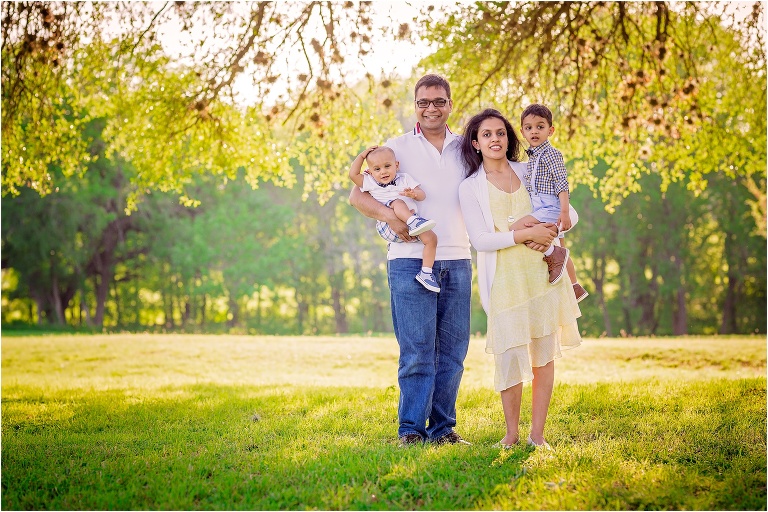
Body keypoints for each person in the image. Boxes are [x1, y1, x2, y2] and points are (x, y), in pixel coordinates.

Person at [349, 74, 473, 446]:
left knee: (452, 354)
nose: (431, 108)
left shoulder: (467, 147)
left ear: (450, 103)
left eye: (439, 101)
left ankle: (443, 429)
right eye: (423, 102)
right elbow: (358, 197)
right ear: (414, 105)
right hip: (408, 259)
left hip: (458, 258)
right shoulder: (395, 147)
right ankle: (411, 431)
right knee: (417, 351)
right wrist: (394, 218)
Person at [458, 108, 582, 449]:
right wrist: (519, 235)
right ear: (476, 143)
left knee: (543, 357)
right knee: (510, 357)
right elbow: (481, 240)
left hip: (543, 276)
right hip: (505, 281)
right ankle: (511, 435)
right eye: (487, 134)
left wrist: (550, 229)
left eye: (500, 132)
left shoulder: (530, 169)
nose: (495, 139)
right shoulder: (471, 188)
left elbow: (568, 209)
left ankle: (537, 436)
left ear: (509, 138)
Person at [518, 103, 588, 302]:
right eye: (529, 127)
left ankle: (552, 255)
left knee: (518, 229)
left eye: (540, 127)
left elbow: (561, 184)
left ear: (551, 130)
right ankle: (574, 287)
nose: (534, 132)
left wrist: (564, 212)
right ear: (522, 131)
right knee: (562, 248)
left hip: (551, 206)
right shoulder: (531, 156)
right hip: (541, 206)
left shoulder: (552, 154)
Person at [348, 145, 440, 292]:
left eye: (387, 166)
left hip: (408, 227)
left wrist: (414, 194)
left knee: (432, 239)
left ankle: (426, 273)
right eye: (377, 169)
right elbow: (353, 175)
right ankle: (413, 221)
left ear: (396, 165)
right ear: (370, 172)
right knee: (398, 203)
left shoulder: (404, 179)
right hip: (389, 225)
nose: (383, 171)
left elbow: (422, 195)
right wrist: (361, 156)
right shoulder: (370, 182)